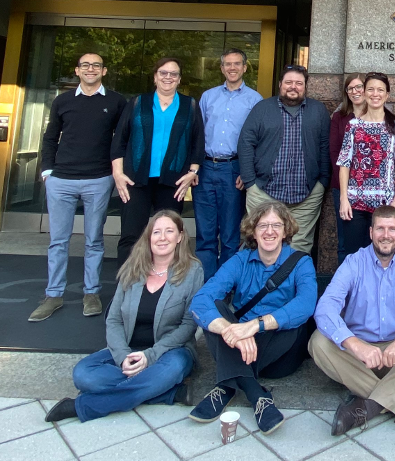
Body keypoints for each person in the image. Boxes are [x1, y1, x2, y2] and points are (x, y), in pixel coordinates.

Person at [44, 210, 204, 423]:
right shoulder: (133, 268)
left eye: (169, 231)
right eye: (156, 232)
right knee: (83, 374)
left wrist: (151, 356)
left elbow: (188, 325)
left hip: (170, 352)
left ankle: (83, 405)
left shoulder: (193, 271)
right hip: (129, 349)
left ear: (180, 237)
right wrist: (122, 357)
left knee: (171, 369)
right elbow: (114, 319)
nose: (162, 237)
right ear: (148, 237)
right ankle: (166, 393)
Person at [309, 205, 395, 436]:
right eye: (380, 229)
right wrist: (355, 344)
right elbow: (325, 308)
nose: (386, 235)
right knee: (318, 342)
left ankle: (367, 406)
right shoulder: (354, 262)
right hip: (359, 358)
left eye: (391, 229)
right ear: (371, 232)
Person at [190, 201, 317, 434]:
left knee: (294, 321)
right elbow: (201, 300)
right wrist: (233, 332)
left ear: (286, 230)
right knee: (215, 306)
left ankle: (226, 386)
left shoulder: (301, 262)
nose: (269, 231)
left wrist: (254, 326)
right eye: (263, 226)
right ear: (253, 231)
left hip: (280, 349)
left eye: (276, 225)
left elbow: (307, 304)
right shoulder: (240, 260)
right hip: (240, 345)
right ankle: (256, 394)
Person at [29, 53, 126, 322]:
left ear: (104, 71)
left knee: (94, 240)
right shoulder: (63, 101)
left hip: (98, 179)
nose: (91, 69)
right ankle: (53, 295)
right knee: (58, 241)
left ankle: (91, 293)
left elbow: (122, 140)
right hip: (61, 180)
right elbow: (50, 137)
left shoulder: (116, 101)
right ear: (77, 70)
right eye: (86, 65)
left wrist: (116, 172)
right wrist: (48, 171)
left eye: (96, 65)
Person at [111, 58, 205, 267]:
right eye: (163, 73)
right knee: (131, 236)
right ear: (155, 77)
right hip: (135, 180)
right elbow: (120, 140)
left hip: (173, 182)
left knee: (169, 238)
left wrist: (192, 172)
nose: (168, 77)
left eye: (173, 74)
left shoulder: (189, 105)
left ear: (179, 79)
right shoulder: (137, 103)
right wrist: (118, 173)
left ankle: (162, 290)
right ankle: (126, 291)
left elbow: (198, 143)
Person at [238, 65, 330, 254]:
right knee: (258, 243)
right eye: (288, 82)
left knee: (299, 248)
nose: (293, 87)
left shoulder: (318, 111)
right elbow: (246, 143)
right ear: (280, 84)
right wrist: (249, 182)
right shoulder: (262, 108)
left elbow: (325, 147)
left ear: (305, 87)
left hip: (306, 196)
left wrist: (322, 182)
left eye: (299, 83)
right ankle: (257, 283)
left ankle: (290, 284)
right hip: (263, 192)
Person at [194, 49, 262, 281]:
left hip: (234, 170)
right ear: (222, 68)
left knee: (231, 234)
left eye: (237, 64)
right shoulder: (208, 97)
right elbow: (197, 134)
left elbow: (258, 140)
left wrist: (247, 169)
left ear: (245, 67)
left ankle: (226, 285)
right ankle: (206, 285)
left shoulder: (255, 100)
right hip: (205, 168)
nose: (232, 68)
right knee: (205, 232)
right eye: (227, 64)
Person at [337, 72, 395, 257]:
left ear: (387, 95)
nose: (375, 94)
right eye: (370, 89)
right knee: (354, 255)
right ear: (364, 92)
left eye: (380, 90)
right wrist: (344, 198)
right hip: (355, 203)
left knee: (383, 254)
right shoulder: (353, 125)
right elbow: (344, 163)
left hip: (385, 202)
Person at [330, 73, 367, 264]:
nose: (355, 91)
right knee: (345, 241)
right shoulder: (340, 117)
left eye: (359, 86)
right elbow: (335, 152)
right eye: (351, 88)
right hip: (344, 188)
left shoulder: (380, 116)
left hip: (371, 188)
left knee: (371, 240)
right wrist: (346, 184)